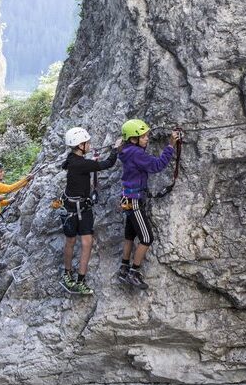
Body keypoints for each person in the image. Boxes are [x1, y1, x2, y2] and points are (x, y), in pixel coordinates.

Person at [117, 119, 181, 290]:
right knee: (146, 238)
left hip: (128, 198)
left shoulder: (126, 150)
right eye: (143, 136)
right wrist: (170, 146)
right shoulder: (137, 154)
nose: (147, 139)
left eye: (146, 135)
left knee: (130, 235)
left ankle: (124, 268)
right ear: (133, 139)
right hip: (134, 201)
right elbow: (157, 165)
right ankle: (133, 272)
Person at [59, 127, 121, 295]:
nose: (90, 144)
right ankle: (77, 279)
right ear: (80, 145)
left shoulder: (72, 159)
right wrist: (115, 150)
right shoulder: (82, 164)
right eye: (87, 142)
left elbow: (83, 164)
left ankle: (70, 275)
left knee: (74, 242)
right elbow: (108, 164)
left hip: (73, 208)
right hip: (79, 209)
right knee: (84, 244)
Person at [0, 162, 33, 227]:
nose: (3, 173)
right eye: (0, 171)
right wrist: (26, 179)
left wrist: (8, 201)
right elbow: (10, 189)